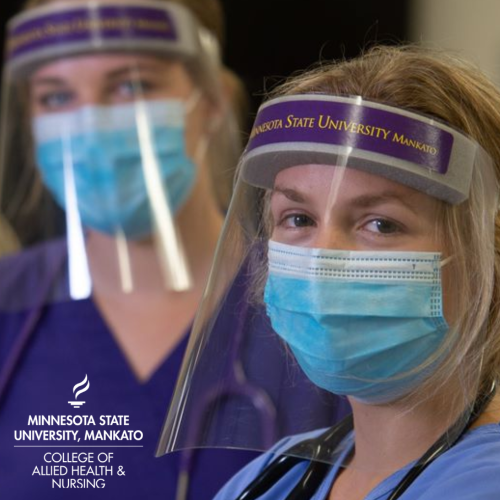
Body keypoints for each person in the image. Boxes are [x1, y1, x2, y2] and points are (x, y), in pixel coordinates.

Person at [0, 1, 350, 499]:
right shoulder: (11, 308)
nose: (91, 125)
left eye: (131, 85)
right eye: (56, 97)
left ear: (213, 100)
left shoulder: (324, 314)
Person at [159, 44, 500, 500]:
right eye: (298, 218)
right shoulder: (270, 477)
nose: (323, 260)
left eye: (380, 224)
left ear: (488, 254)